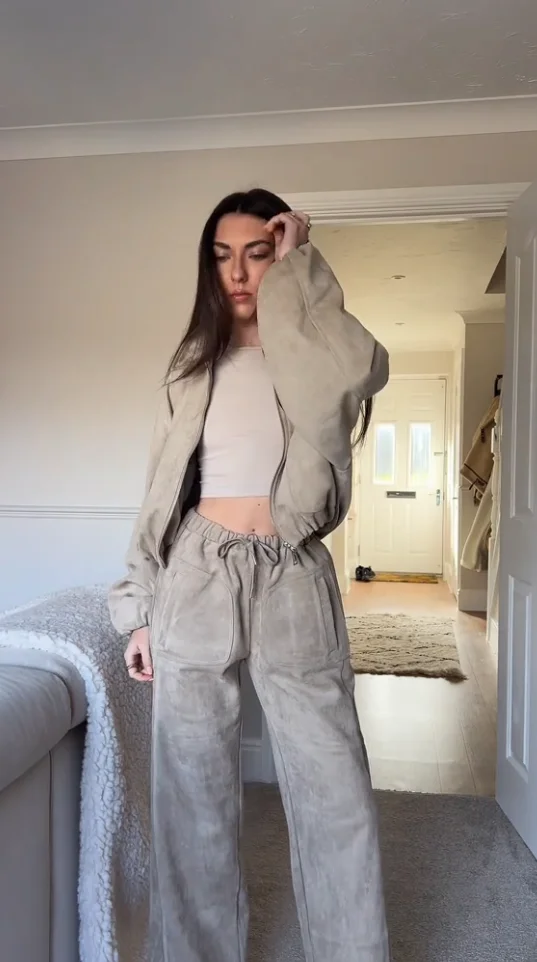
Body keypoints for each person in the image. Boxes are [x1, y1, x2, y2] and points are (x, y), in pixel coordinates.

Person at [108, 188, 391, 962]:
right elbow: (159, 492)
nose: (237, 272)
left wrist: (300, 266)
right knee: (191, 789)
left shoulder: (316, 350)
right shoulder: (191, 365)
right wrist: (139, 607)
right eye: (222, 256)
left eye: (257, 253)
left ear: (282, 255)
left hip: (293, 570)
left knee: (333, 783)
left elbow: (363, 371)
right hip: (198, 571)